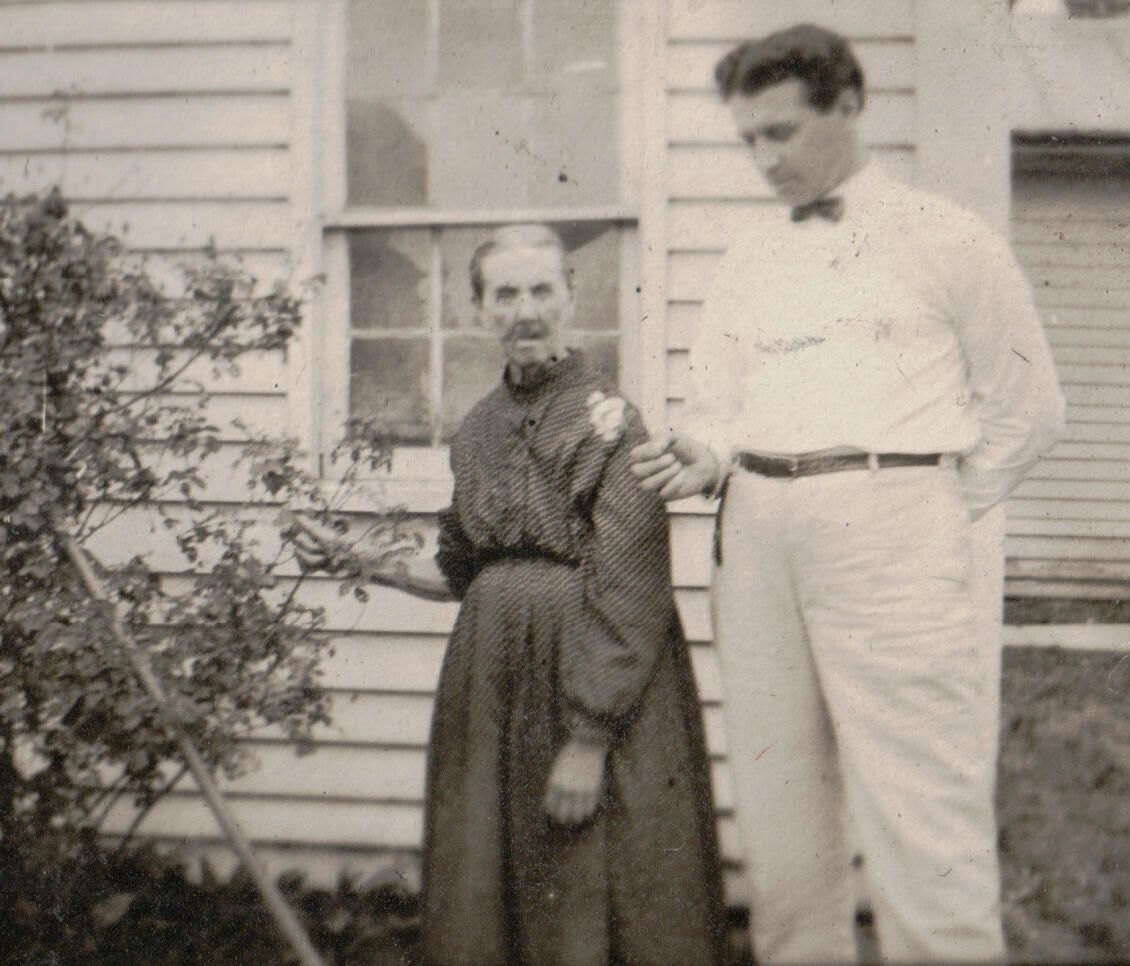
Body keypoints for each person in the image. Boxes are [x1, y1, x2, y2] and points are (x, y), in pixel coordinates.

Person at [630, 24, 1066, 964]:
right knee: (780, 818)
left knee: (924, 818)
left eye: (780, 132)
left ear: (850, 106)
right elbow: (715, 405)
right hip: (756, 537)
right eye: (748, 138)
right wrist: (706, 454)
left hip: (891, 531)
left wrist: (925, 507)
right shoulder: (748, 258)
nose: (762, 159)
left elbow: (1028, 412)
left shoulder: (949, 239)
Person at [294, 225, 725, 966]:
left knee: (586, 872)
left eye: (540, 290)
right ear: (478, 308)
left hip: (594, 684)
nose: (525, 311)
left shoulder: (613, 423)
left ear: (570, 297)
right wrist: (360, 560)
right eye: (504, 294)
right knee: (492, 879)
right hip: (493, 684)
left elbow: (632, 586)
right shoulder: (477, 431)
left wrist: (588, 741)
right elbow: (463, 572)